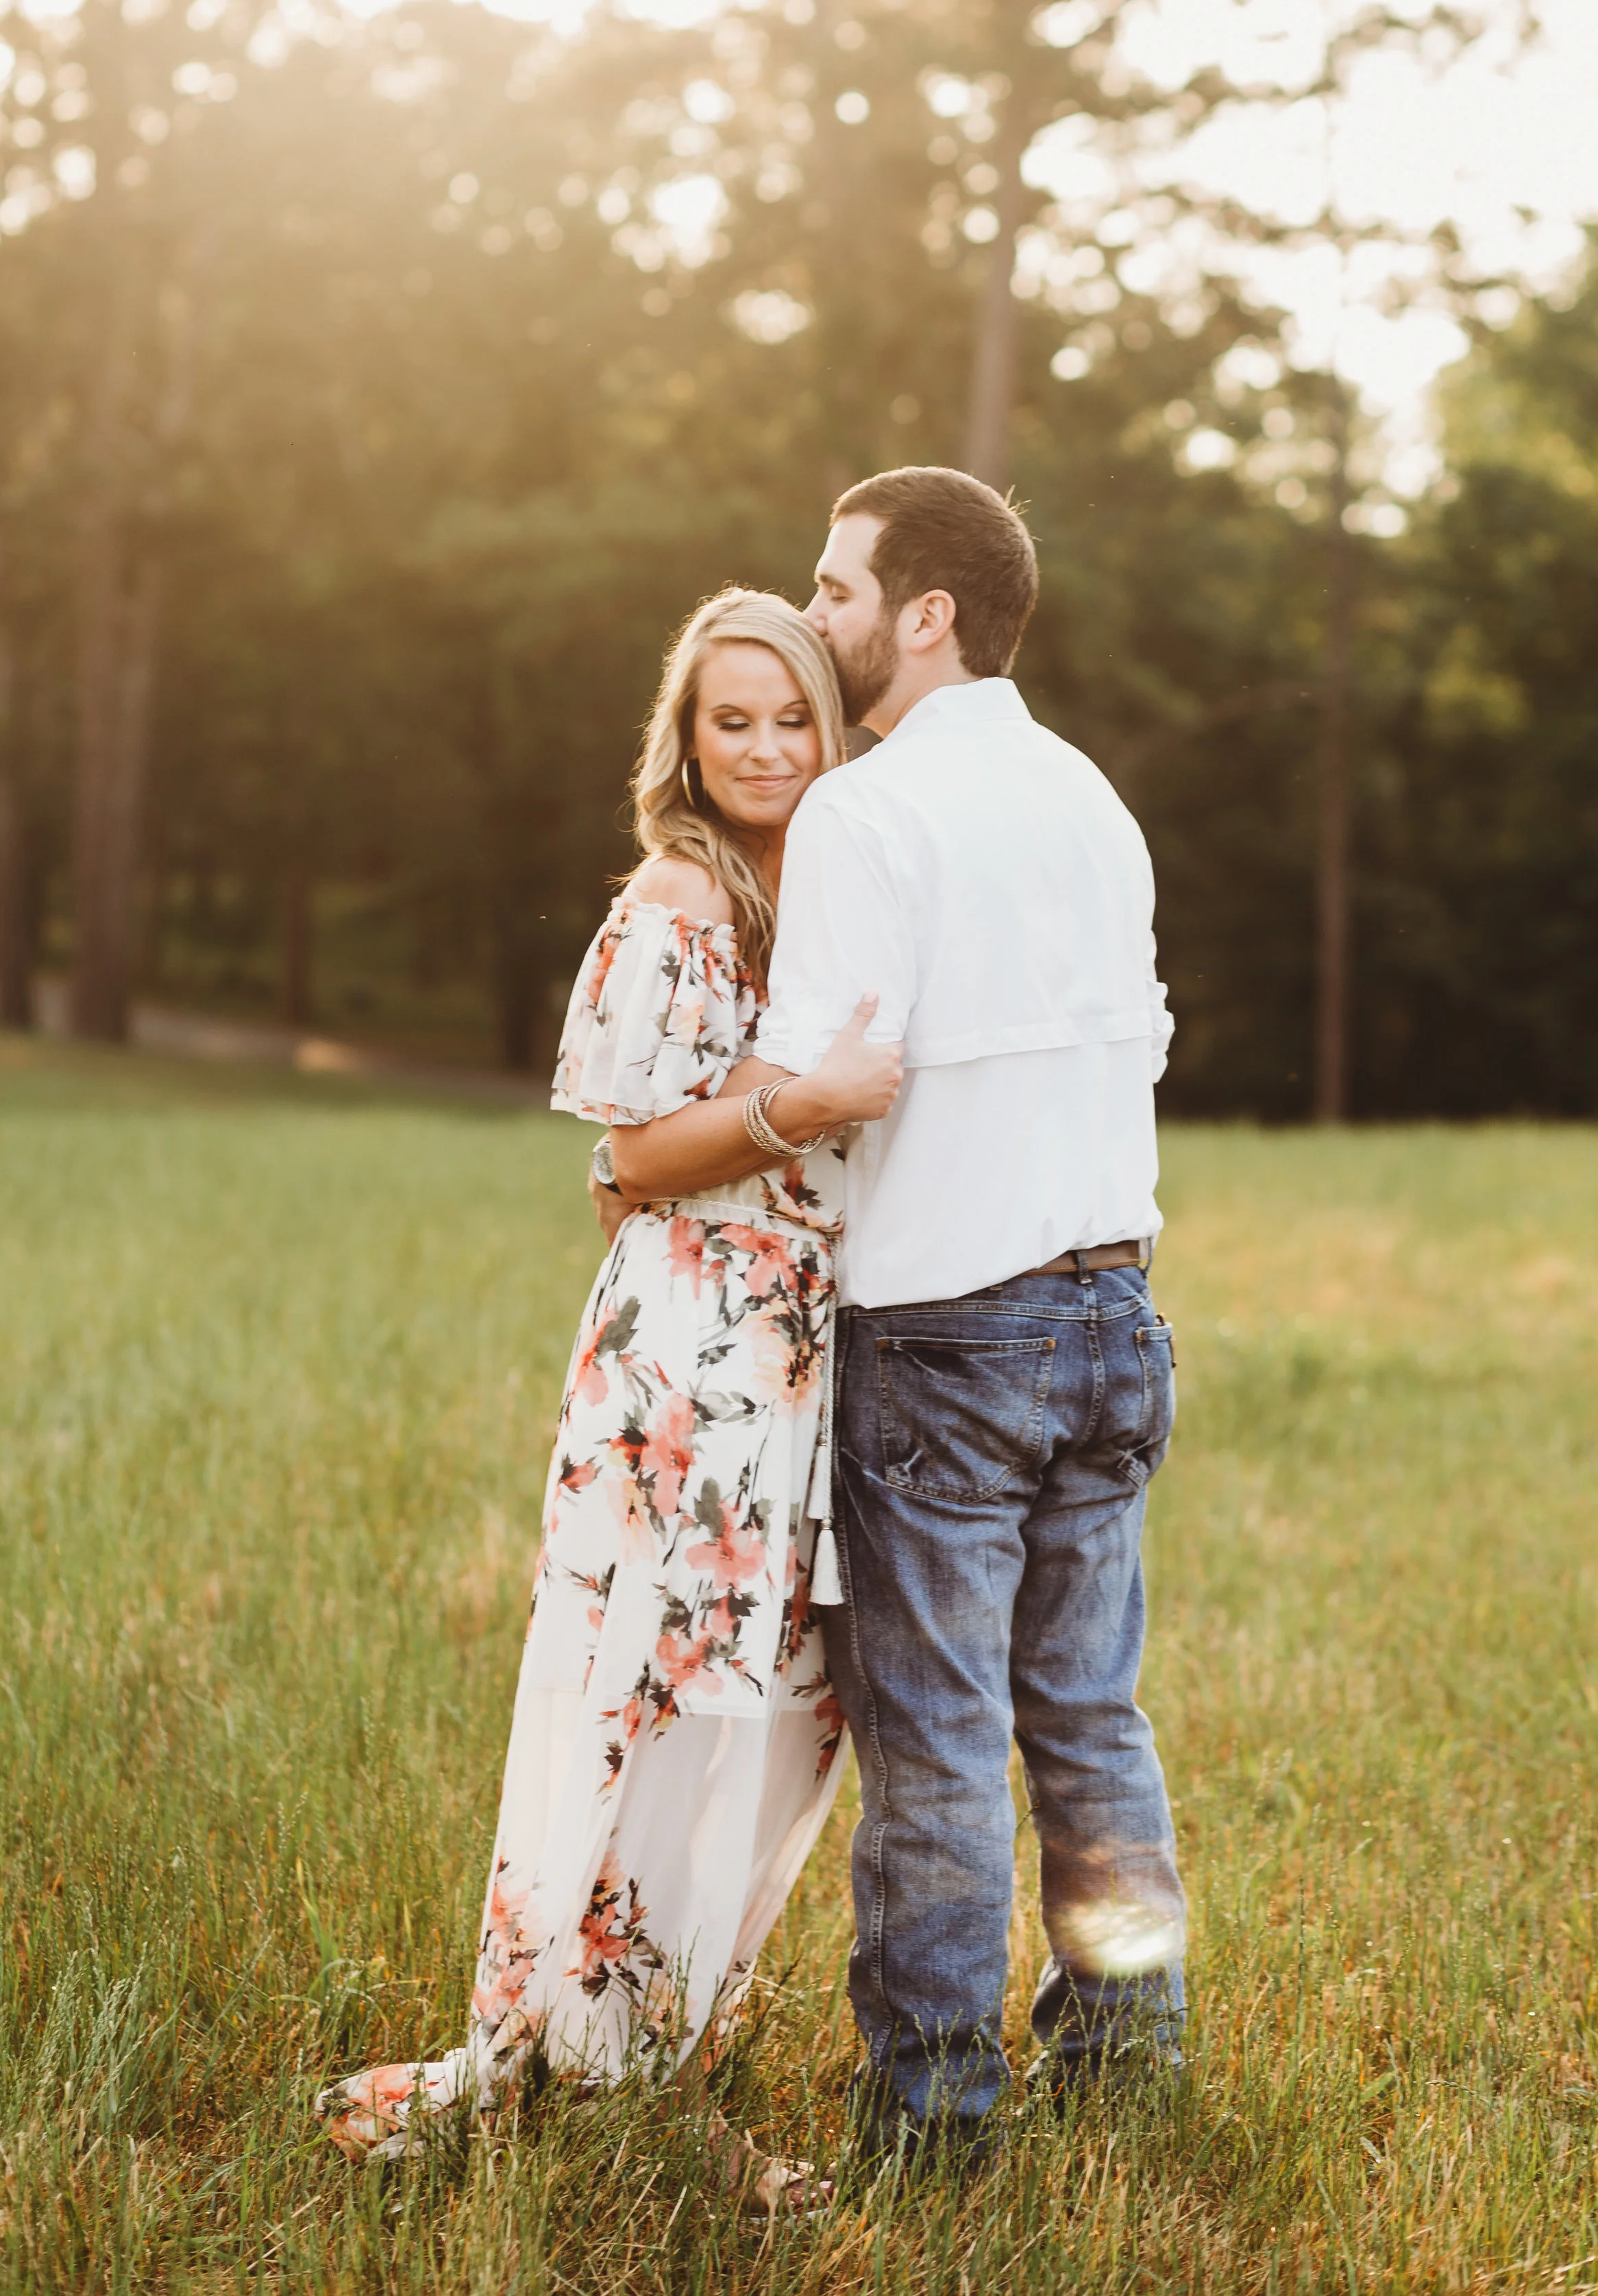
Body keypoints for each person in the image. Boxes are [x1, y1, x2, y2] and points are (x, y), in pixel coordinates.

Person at [319, 587, 901, 2206]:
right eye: (734, 721)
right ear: (687, 741)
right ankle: (597, 2071)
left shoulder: (833, 883)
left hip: (804, 1356)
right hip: (690, 1369)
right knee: (657, 1705)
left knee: (781, 1713)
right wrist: (800, 1105)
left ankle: (636, 2061)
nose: (769, 747)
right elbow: (630, 1151)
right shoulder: (678, 898)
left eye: (793, 716)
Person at [726, 465, 1186, 2162]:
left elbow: (821, 1085)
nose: (818, 615)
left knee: (932, 1750)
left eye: (837, 590)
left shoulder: (864, 810)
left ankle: (930, 2120)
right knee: (1086, 1718)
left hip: (947, 1335)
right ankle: (1125, 2067)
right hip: (1115, 1311)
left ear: (926, 613)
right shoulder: (1090, 795)